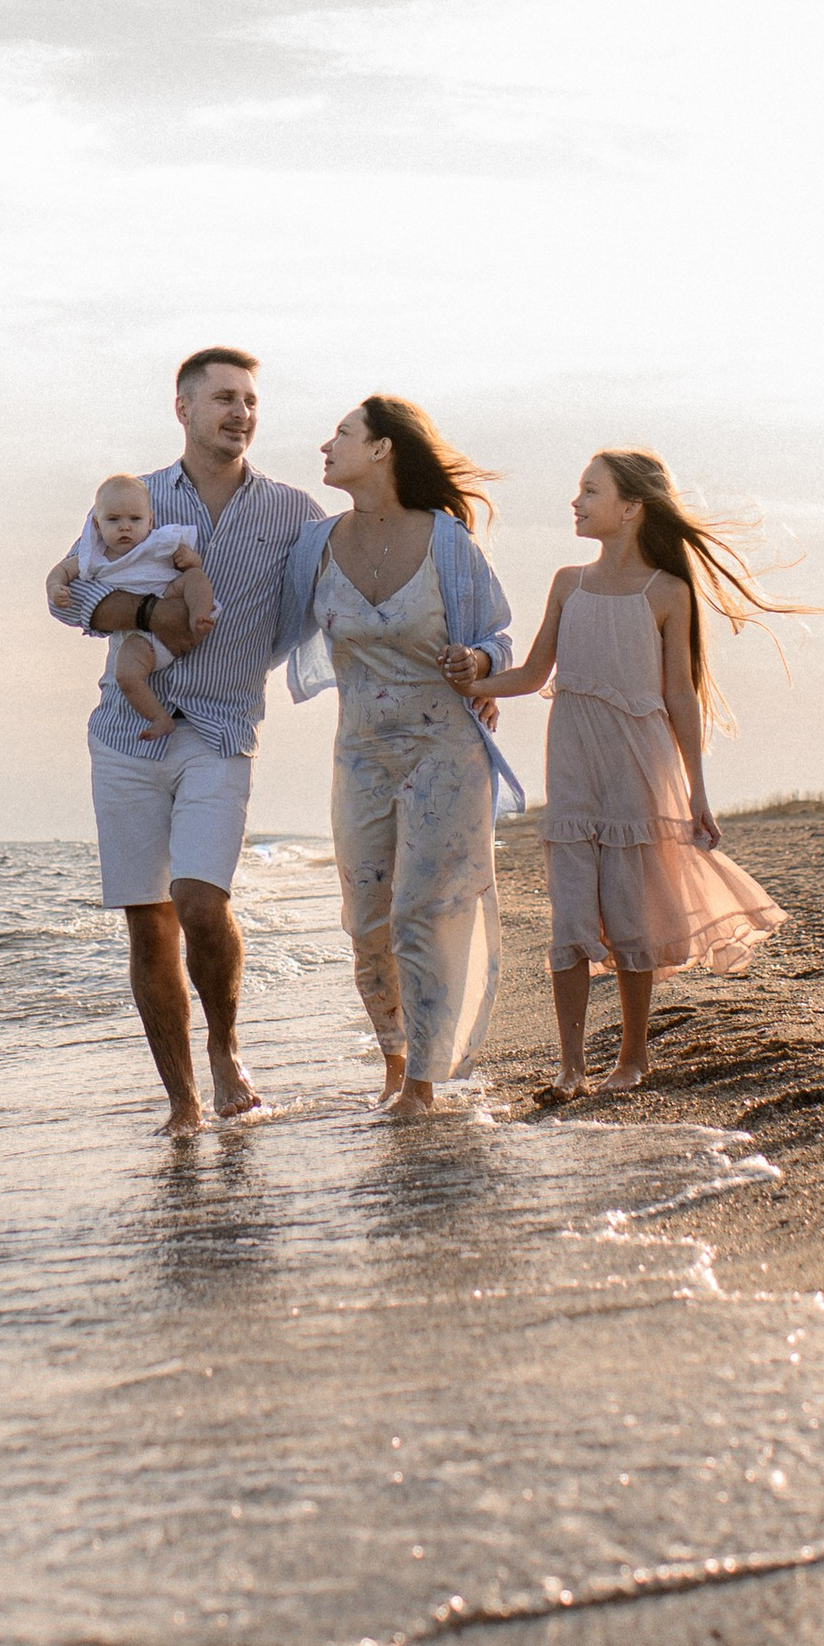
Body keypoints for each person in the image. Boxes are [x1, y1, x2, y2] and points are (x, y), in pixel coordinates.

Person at [452, 447, 789, 1097]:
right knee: (571, 920)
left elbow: (680, 699)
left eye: (590, 491)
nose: (576, 502)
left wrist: (697, 793)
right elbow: (531, 674)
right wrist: (477, 678)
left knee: (632, 917)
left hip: (640, 767)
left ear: (631, 508)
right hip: (574, 765)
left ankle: (632, 1060)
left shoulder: (667, 592)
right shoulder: (567, 583)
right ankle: (571, 1067)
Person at [45, 347, 319, 1135]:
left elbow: (341, 586)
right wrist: (141, 616)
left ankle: (227, 1049)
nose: (241, 413)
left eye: (251, 401)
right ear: (184, 409)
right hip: (127, 730)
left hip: (225, 727)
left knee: (200, 901)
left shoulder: (294, 513)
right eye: (224, 399)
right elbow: (70, 597)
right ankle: (182, 1101)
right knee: (148, 919)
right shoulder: (133, 499)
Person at [275, 397, 522, 1119]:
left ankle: (419, 1082)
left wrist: (477, 659)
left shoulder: (448, 543)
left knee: (423, 910)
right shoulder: (314, 548)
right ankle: (391, 1063)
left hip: (444, 750)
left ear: (382, 449)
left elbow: (498, 639)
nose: (326, 445)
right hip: (360, 755)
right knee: (366, 920)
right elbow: (263, 626)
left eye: (343, 434)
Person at [69, 475, 217, 741]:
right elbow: (65, 573)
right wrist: (54, 585)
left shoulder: (158, 541)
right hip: (137, 637)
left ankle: (200, 616)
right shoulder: (96, 557)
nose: (125, 527)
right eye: (114, 520)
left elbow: (193, 565)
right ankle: (159, 717)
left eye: (134, 520)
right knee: (125, 675)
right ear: (97, 524)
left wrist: (189, 559)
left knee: (195, 579)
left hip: (170, 595)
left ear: (150, 520)